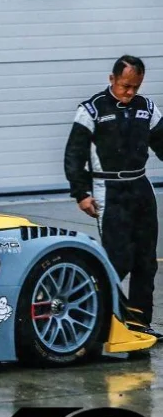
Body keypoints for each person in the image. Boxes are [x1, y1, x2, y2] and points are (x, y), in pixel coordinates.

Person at [64, 54, 163, 339]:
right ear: (112, 79)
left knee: (145, 261)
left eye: (135, 87)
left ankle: (139, 323)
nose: (130, 92)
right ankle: (93, 317)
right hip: (108, 189)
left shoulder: (147, 108)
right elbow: (74, 156)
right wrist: (81, 193)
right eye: (125, 86)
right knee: (118, 259)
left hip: (140, 186)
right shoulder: (91, 110)